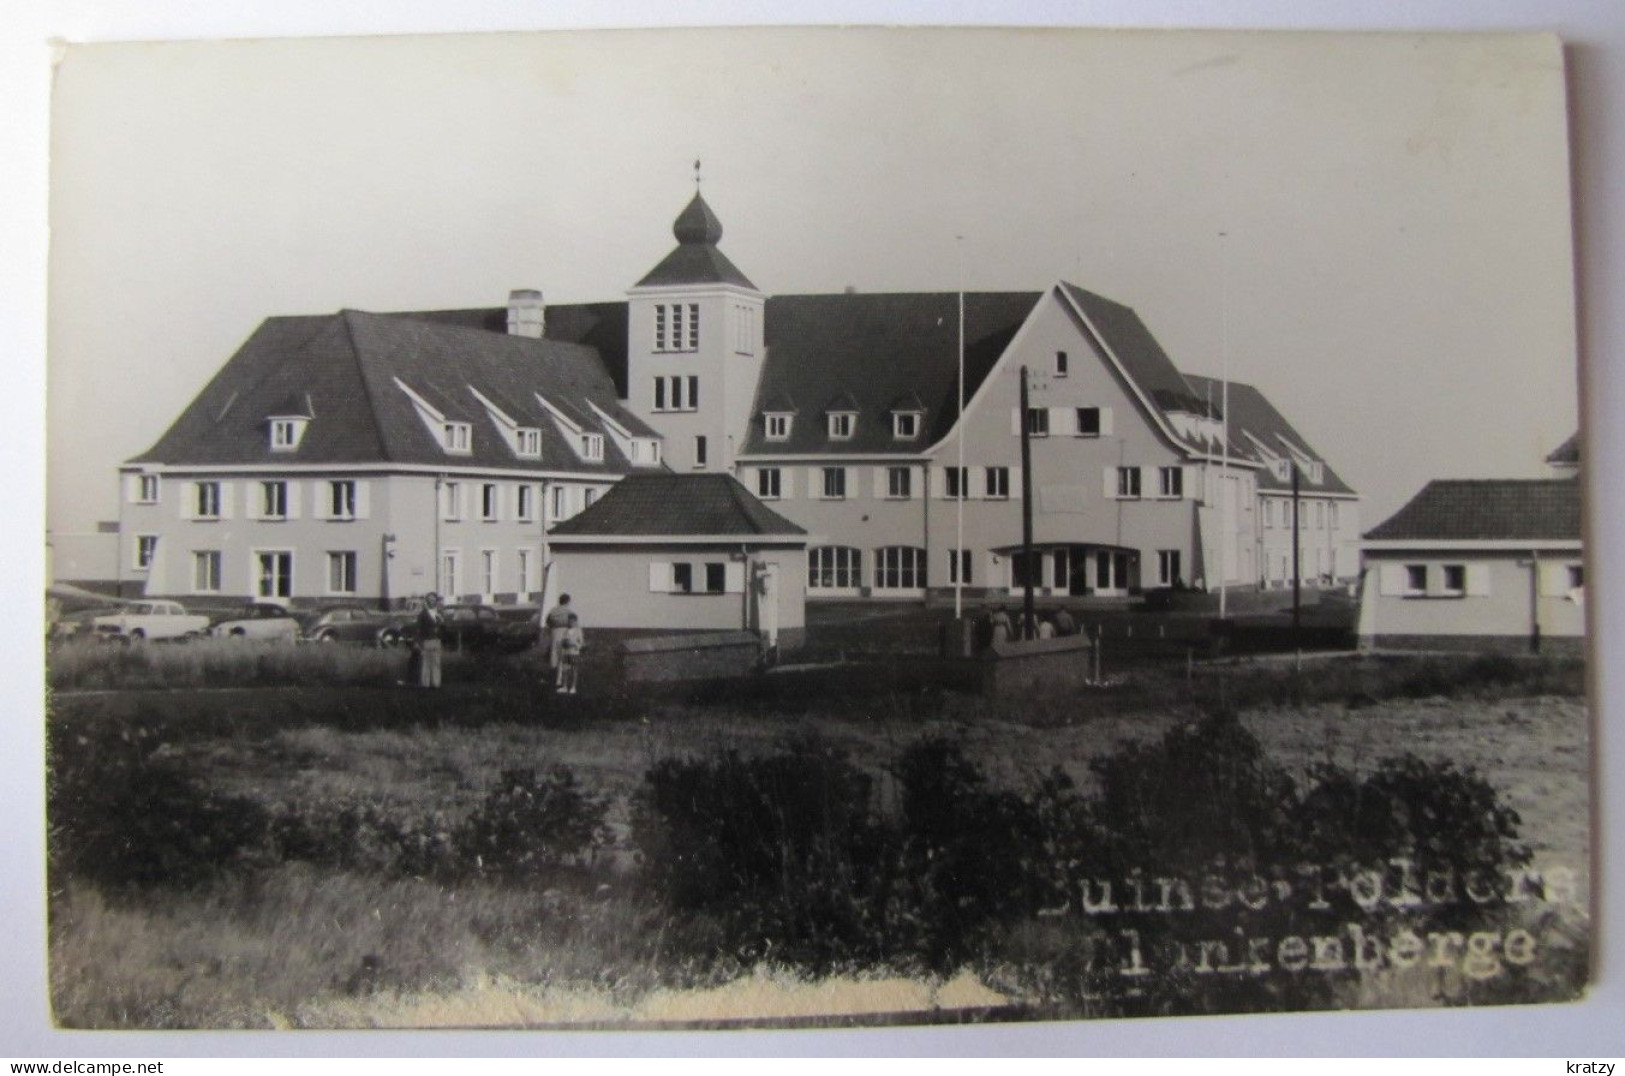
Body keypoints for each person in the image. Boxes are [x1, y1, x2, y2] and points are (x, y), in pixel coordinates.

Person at [416, 592, 445, 689]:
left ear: (436, 601)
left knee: (436, 663)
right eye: (429, 599)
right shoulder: (422, 614)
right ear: (426, 601)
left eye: (433, 599)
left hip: (436, 640)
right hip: (426, 641)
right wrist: (419, 642)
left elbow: (443, 628)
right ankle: (425, 685)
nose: (432, 601)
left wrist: (441, 624)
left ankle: (436, 684)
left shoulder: (439, 613)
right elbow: (419, 629)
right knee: (426, 663)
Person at [543, 593, 574, 681]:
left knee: (554, 654)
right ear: (567, 601)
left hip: (555, 632)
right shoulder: (569, 612)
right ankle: (561, 678)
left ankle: (553, 675)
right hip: (565, 633)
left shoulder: (553, 611)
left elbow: (548, 622)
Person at [557, 612, 584, 694]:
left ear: (576, 622)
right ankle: (564, 686)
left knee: (574, 670)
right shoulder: (566, 631)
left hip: (574, 653)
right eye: (569, 621)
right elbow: (563, 641)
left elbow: (581, 642)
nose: (571, 623)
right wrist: (564, 642)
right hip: (566, 653)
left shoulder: (578, 630)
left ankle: (573, 687)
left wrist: (575, 644)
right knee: (565, 670)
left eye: (572, 621)